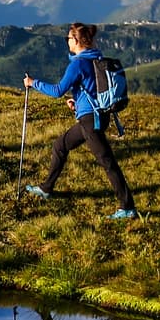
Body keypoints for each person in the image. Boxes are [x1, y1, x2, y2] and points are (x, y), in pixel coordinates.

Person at [21, 21, 137, 218]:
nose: (67, 41)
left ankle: (127, 207)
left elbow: (58, 91)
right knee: (60, 145)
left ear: (75, 40)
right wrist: (77, 101)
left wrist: (33, 83)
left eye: (68, 38)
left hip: (91, 121)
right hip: (96, 116)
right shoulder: (96, 58)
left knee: (107, 162)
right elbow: (92, 87)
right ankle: (46, 188)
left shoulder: (77, 64)